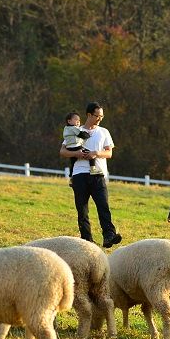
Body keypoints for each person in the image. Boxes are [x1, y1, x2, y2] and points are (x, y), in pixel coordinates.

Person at [60, 102, 122, 247]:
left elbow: (109, 153)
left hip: (98, 174)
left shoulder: (104, 132)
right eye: (97, 116)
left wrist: (96, 153)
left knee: (103, 206)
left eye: (101, 116)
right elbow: (62, 151)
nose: (100, 118)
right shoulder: (75, 130)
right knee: (82, 210)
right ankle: (87, 241)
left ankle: (109, 236)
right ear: (89, 115)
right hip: (79, 174)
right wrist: (77, 154)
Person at [61, 112, 91, 184]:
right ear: (69, 121)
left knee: (73, 164)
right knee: (89, 153)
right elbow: (81, 135)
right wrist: (87, 135)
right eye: (76, 120)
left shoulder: (66, 129)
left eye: (79, 120)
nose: (78, 122)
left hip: (69, 148)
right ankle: (93, 168)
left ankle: (71, 178)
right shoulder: (73, 128)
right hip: (76, 147)